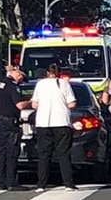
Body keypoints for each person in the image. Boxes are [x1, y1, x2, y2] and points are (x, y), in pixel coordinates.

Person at [30, 63, 78, 192]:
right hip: (61, 122)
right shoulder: (64, 84)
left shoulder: (40, 84)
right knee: (63, 154)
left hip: (44, 122)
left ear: (47, 73)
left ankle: (41, 184)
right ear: (59, 73)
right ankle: (68, 183)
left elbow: (34, 104)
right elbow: (72, 103)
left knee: (44, 155)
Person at [0, 66, 31, 191]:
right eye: (22, 78)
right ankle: (12, 182)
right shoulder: (13, 86)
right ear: (19, 75)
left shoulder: (0, 84)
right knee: (12, 153)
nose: (21, 81)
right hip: (10, 123)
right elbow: (19, 105)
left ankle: (2, 181)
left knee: (1, 152)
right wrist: (30, 102)